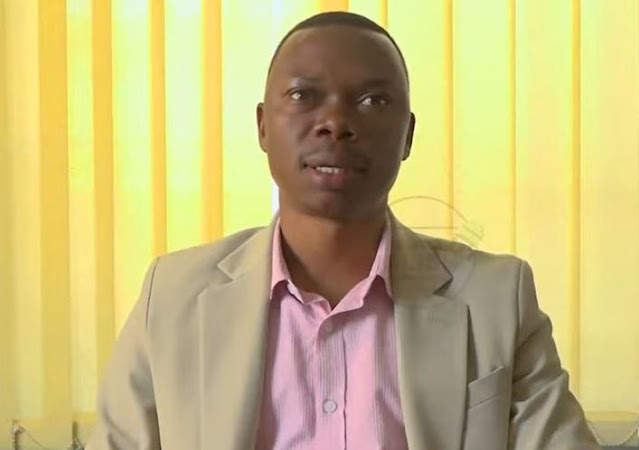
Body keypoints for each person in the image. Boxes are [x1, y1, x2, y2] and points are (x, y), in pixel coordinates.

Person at [86, 11, 600, 450]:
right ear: (262, 126)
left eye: (372, 100)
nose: (335, 122)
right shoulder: (173, 296)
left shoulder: (495, 299)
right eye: (303, 95)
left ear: (408, 135)